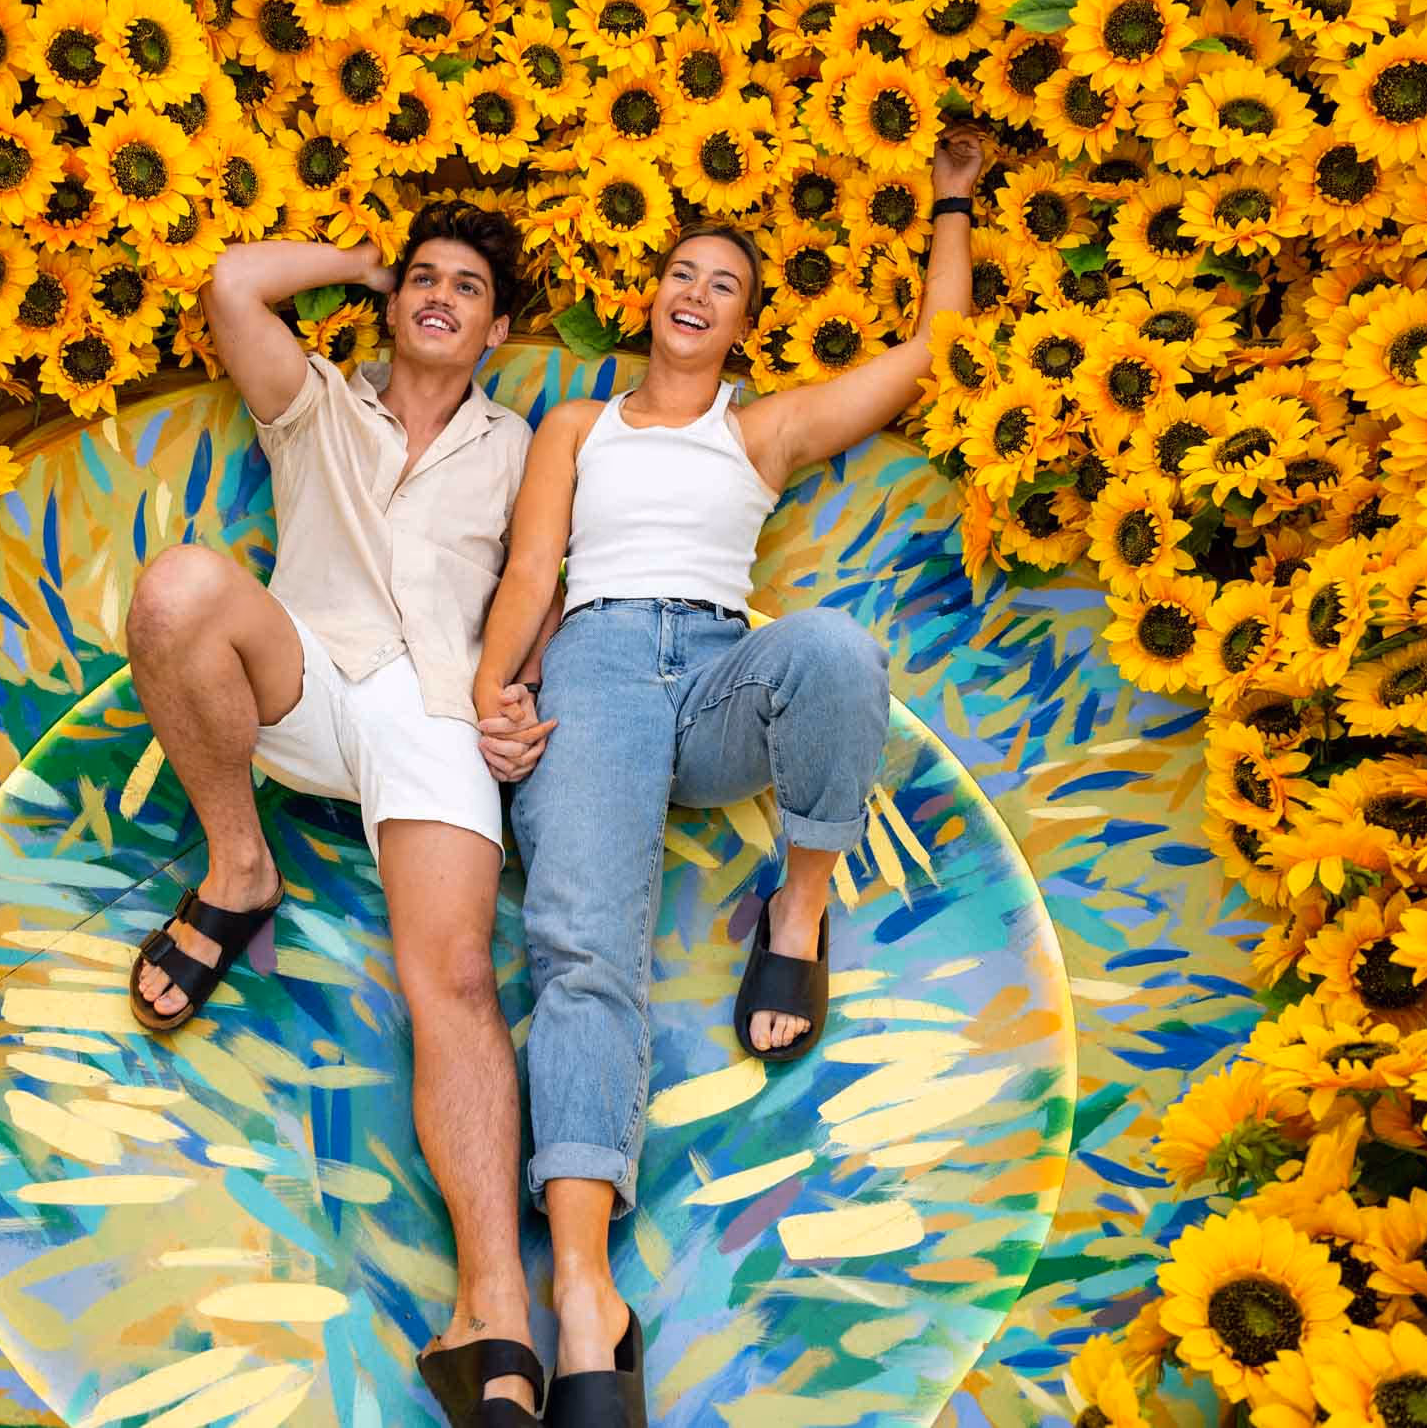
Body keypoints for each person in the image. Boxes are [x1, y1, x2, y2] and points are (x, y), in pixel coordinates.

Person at [470, 129, 986, 1420]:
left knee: (835, 650)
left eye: (724, 285)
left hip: (714, 679)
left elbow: (932, 353)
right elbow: (534, 571)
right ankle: (585, 1297)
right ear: (650, 297)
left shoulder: (759, 434)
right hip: (590, 666)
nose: (695, 293)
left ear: (742, 324)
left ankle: (800, 906)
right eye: (680, 273)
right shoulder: (578, 424)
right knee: (583, 947)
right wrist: (498, 683)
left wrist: (950, 206)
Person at [120, 205, 556, 1426]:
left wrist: (521, 699)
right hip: (306, 674)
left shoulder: (522, 445)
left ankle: (495, 1315)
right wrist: (362, 260)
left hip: (438, 707)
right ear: (390, 303)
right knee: (178, 589)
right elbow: (233, 282)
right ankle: (239, 867)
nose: (438, 297)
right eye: (422, 280)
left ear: (497, 327)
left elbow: (544, 589)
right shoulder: (317, 401)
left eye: (466, 287)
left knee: (457, 978)